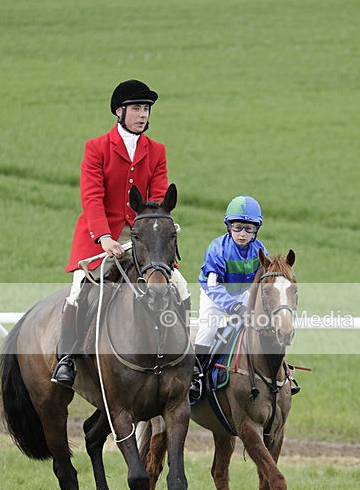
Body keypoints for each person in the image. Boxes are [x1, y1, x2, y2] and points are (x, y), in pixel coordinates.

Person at [52, 78, 190, 387]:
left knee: (180, 287)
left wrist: (148, 233)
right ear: (119, 111)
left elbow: (158, 199)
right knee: (79, 291)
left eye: (147, 109)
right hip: (100, 236)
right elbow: (91, 197)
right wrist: (104, 237)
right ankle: (67, 358)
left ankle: (184, 359)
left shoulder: (157, 151)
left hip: (142, 237)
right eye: (137, 108)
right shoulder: (96, 147)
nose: (143, 115)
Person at [190, 195, 269, 401]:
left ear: (256, 230)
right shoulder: (217, 248)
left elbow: (264, 281)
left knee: (265, 325)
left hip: (241, 294)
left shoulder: (260, 251)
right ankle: (195, 376)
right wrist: (233, 307)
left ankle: (277, 374)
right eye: (237, 227)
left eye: (249, 229)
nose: (242, 234)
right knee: (209, 328)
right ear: (228, 226)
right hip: (215, 294)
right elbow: (213, 286)